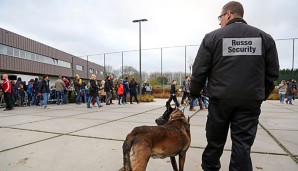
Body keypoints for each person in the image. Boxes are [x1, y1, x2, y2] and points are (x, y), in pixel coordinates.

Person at [189, 1, 279, 170]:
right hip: (249, 103)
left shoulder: (212, 37)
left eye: (220, 17)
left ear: (228, 14)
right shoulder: (264, 38)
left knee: (214, 144)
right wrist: (260, 95)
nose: (219, 22)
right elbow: (272, 74)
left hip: (219, 101)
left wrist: (194, 92)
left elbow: (199, 71)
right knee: (242, 147)